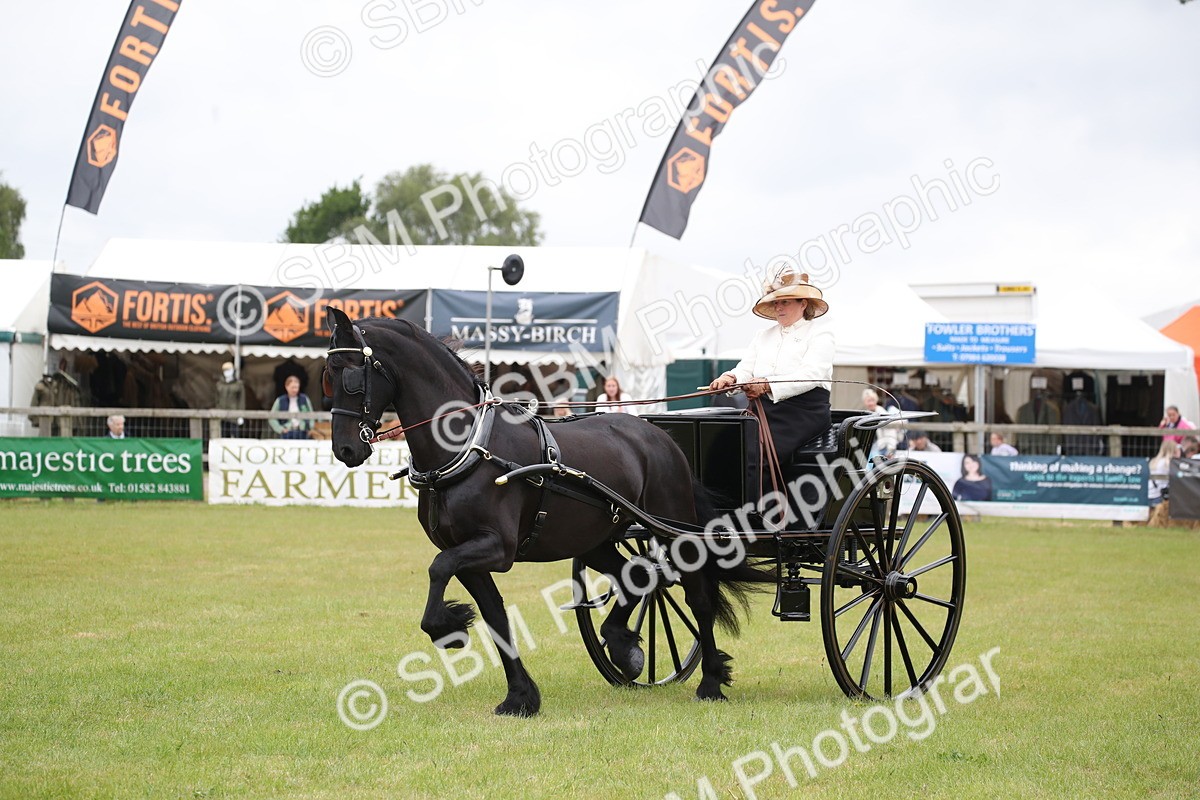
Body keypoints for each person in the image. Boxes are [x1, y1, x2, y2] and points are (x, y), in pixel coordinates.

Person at [709, 267, 834, 464]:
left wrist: (767, 385)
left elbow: (812, 374)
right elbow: (745, 369)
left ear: (803, 303)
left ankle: (762, 495)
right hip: (764, 412)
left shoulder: (820, 335)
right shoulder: (763, 336)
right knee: (722, 444)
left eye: (785, 302)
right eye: (776, 302)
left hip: (803, 415)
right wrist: (730, 378)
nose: (779, 307)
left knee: (757, 452)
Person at [270, 375, 313, 439]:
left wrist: (310, 427)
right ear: (286, 387)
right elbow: (271, 417)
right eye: (292, 387)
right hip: (287, 431)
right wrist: (280, 429)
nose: (295, 390)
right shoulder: (280, 400)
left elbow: (312, 414)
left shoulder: (304, 399)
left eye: (296, 387)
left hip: (303, 431)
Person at [862, 389, 900, 463]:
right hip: (871, 447)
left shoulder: (881, 413)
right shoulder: (865, 414)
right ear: (864, 402)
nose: (870, 403)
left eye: (872, 400)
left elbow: (890, 431)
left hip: (883, 448)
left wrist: (890, 449)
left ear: (876, 400)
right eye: (868, 401)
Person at [215, 361, 246, 438]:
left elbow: (241, 401)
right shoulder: (219, 384)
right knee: (223, 435)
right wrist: (217, 411)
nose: (227, 372)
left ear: (233, 371)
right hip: (222, 415)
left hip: (234, 415)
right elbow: (216, 399)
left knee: (235, 436)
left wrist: (241, 415)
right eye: (225, 370)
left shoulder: (239, 384)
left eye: (229, 370)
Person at [1149, 439, 1180, 507]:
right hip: (1160, 496)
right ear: (1174, 450)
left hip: (1150, 494)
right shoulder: (1169, 463)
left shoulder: (1154, 461)